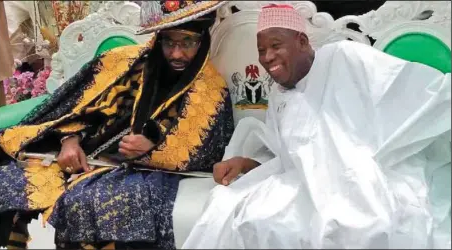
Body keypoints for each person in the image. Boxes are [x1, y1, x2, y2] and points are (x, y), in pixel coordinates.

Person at [183, 4, 451, 249]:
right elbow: (285, 154)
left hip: (367, 171)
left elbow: (415, 89)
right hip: (305, 182)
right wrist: (245, 163)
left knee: (362, 222)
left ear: (301, 41)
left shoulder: (345, 56)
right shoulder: (279, 93)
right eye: (262, 50)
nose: (267, 57)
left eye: (276, 45)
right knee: (234, 211)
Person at [0, 1, 233, 249]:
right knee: (7, 183)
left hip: (140, 172)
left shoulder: (211, 91)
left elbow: (207, 151)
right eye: (170, 42)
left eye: (187, 43)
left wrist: (152, 146)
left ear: (203, 40)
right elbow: (73, 108)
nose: (176, 53)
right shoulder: (120, 62)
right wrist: (69, 140)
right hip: (74, 159)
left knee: (86, 203)